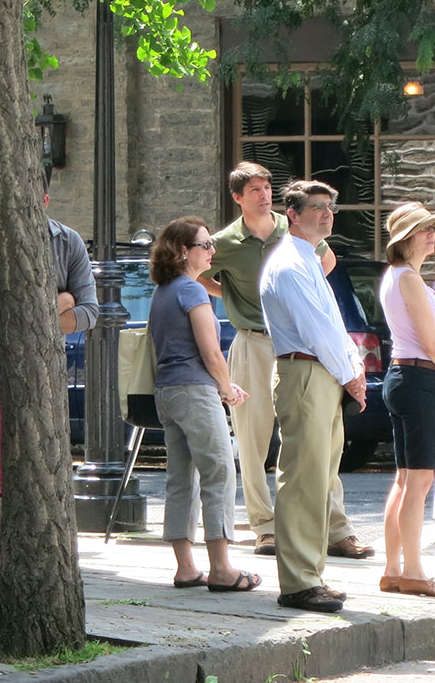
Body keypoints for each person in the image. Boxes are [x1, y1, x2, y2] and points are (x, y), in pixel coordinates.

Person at [198, 161, 373, 560]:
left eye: (267, 187)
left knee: (320, 443)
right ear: (238, 198)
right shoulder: (224, 241)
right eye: (255, 189)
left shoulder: (292, 231)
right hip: (255, 341)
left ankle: (337, 528)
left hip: (300, 344)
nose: (264, 194)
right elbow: (193, 272)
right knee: (254, 435)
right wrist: (229, 295)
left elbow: (325, 265)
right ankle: (264, 526)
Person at [0, 175, 98, 606]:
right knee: (3, 480)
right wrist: (61, 301)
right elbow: (15, 316)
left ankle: (45, 573)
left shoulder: (70, 242)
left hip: (49, 380)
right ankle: (5, 578)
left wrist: (60, 307)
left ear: (44, 198)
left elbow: (90, 313)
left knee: (48, 474)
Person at [259, 180, 366, 613]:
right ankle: (299, 582)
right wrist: (351, 376)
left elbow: (333, 324)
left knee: (321, 478)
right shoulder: (289, 264)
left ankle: (311, 574)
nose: (326, 214)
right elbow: (315, 329)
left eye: (330, 207)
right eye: (317, 207)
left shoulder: (308, 259)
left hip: (320, 372)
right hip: (304, 370)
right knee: (303, 479)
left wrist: (352, 369)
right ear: (293, 215)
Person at [149, 217, 261, 592]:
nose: (212, 251)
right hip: (195, 392)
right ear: (184, 251)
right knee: (219, 473)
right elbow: (210, 352)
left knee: (180, 479)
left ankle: (185, 568)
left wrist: (227, 384)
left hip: (168, 391)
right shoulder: (192, 291)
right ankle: (222, 568)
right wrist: (225, 388)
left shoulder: (163, 291)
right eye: (206, 245)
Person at [376, 203, 435, 598]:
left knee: (406, 479)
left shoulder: (400, 276)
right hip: (416, 376)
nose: (431, 235)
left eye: (433, 229)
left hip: (404, 376)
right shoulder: (407, 278)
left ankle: (395, 569)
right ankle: (412, 571)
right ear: (404, 238)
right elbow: (431, 342)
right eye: (423, 229)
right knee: (420, 480)